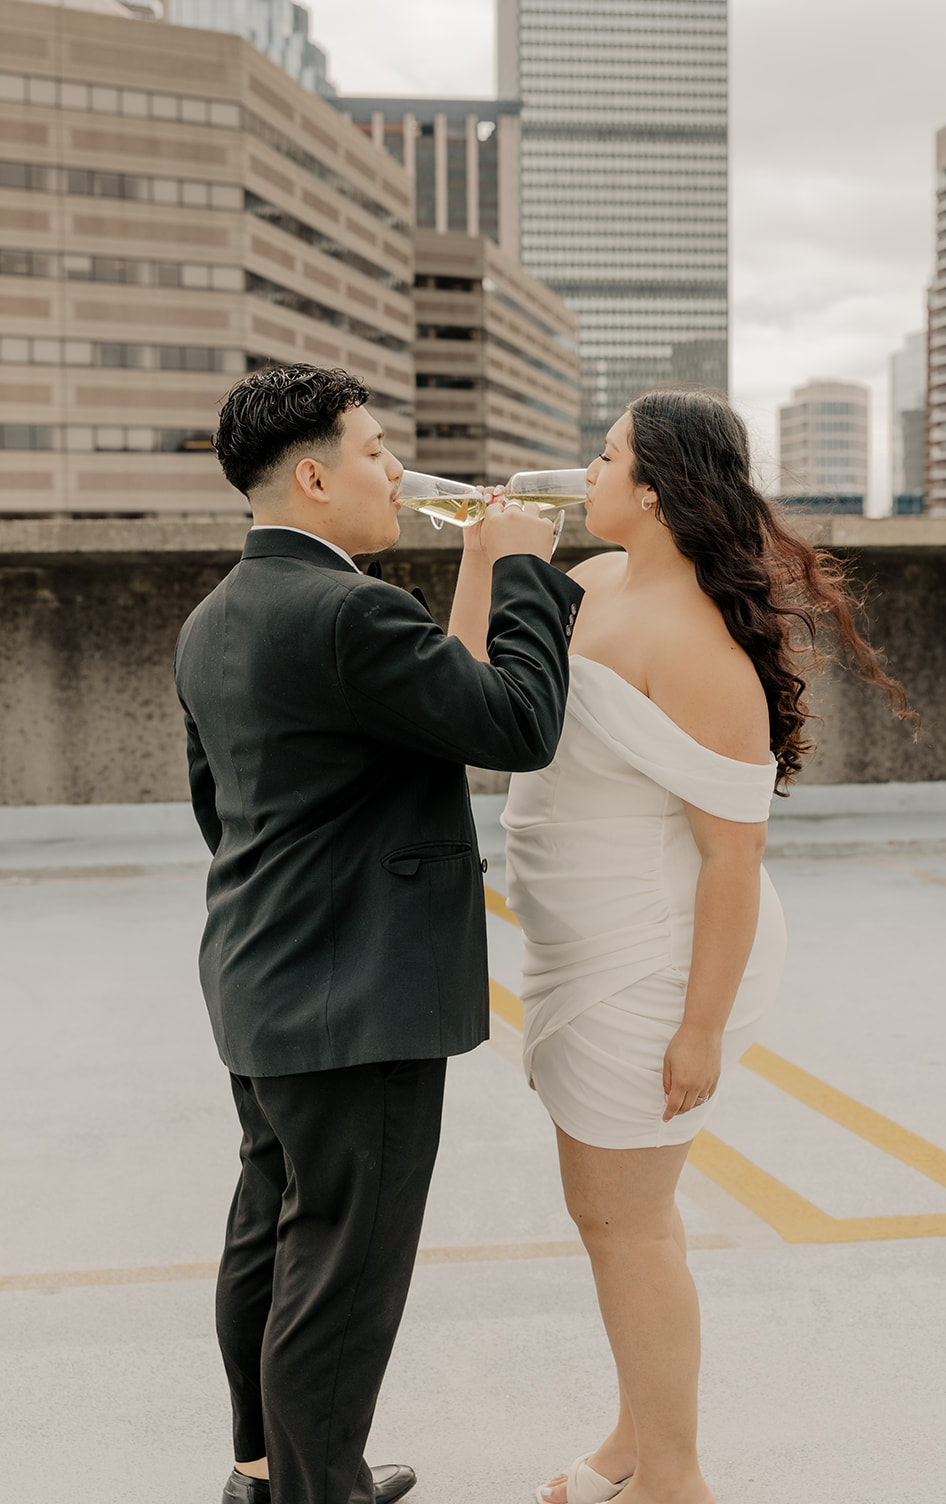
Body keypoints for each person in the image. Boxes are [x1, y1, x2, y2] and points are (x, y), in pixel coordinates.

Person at [449, 389, 911, 1504]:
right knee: (607, 1215)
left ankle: (675, 1478)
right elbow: (462, 695)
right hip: (583, 951)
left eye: (602, 456)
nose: (584, 471)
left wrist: (697, 1030)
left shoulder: (697, 645)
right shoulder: (595, 585)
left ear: (650, 488)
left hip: (656, 968)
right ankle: (633, 1435)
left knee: (628, 1220)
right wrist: (482, 558)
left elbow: (731, 860)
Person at [173, 363, 584, 1504]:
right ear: (312, 475)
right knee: (344, 1264)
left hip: (259, 972)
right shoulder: (350, 609)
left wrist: (469, 568)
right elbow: (513, 722)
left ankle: (266, 1467)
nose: (395, 473)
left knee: (272, 1224)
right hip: (361, 990)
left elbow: (226, 807)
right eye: (373, 453)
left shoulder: (217, 617)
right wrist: (520, 574)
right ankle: (322, 1491)